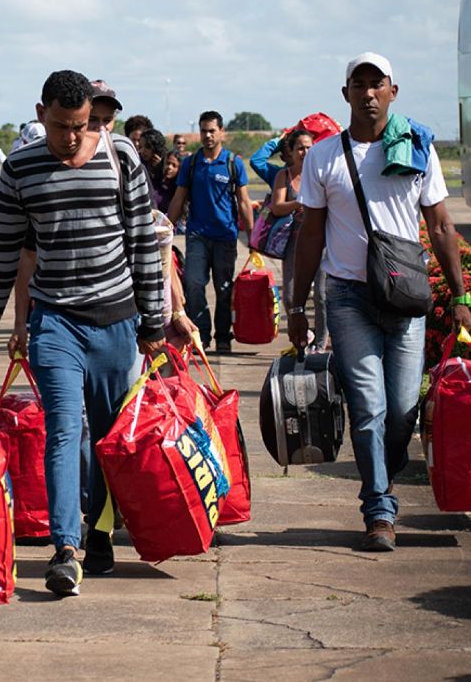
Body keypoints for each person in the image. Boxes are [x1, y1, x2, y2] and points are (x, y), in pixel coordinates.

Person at [0, 70, 165, 598]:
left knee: (106, 436)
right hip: (55, 321)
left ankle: (99, 531)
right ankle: (65, 548)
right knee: (62, 428)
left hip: (117, 321)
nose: (73, 136)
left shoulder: (121, 157)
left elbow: (143, 242)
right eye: (61, 126)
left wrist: (153, 320)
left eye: (81, 125)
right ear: (41, 115)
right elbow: (5, 256)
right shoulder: (19, 169)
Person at [288, 52, 471, 551]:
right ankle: (379, 510)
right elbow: (311, 235)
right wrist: (297, 306)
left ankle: (381, 477)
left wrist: (460, 294)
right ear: (345, 93)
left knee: (402, 411)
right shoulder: (324, 156)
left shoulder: (417, 147)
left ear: (393, 91)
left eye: (377, 83)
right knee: (368, 408)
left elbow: (440, 225)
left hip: (406, 297)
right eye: (359, 84)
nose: (368, 93)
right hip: (349, 297)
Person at [167, 110, 254, 353]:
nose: (207, 135)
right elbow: (179, 198)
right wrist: (165, 229)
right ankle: (201, 335)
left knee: (223, 289)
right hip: (197, 235)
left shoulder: (233, 163)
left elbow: (244, 202)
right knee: (194, 284)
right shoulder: (191, 163)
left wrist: (253, 236)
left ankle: (223, 337)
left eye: (212, 131)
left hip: (225, 236)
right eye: (204, 131)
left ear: (222, 133)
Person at [270, 128, 327, 352]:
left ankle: (320, 343)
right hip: (293, 242)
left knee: (322, 295)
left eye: (309, 148)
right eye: (300, 148)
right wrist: (299, 203)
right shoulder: (284, 176)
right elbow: (277, 207)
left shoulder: (322, 174)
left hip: (321, 240)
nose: (305, 152)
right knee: (291, 296)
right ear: (291, 152)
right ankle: (303, 336)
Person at [138, 128, 168, 209]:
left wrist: (160, 168)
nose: (143, 151)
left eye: (147, 147)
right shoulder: (139, 162)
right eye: (141, 147)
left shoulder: (168, 162)